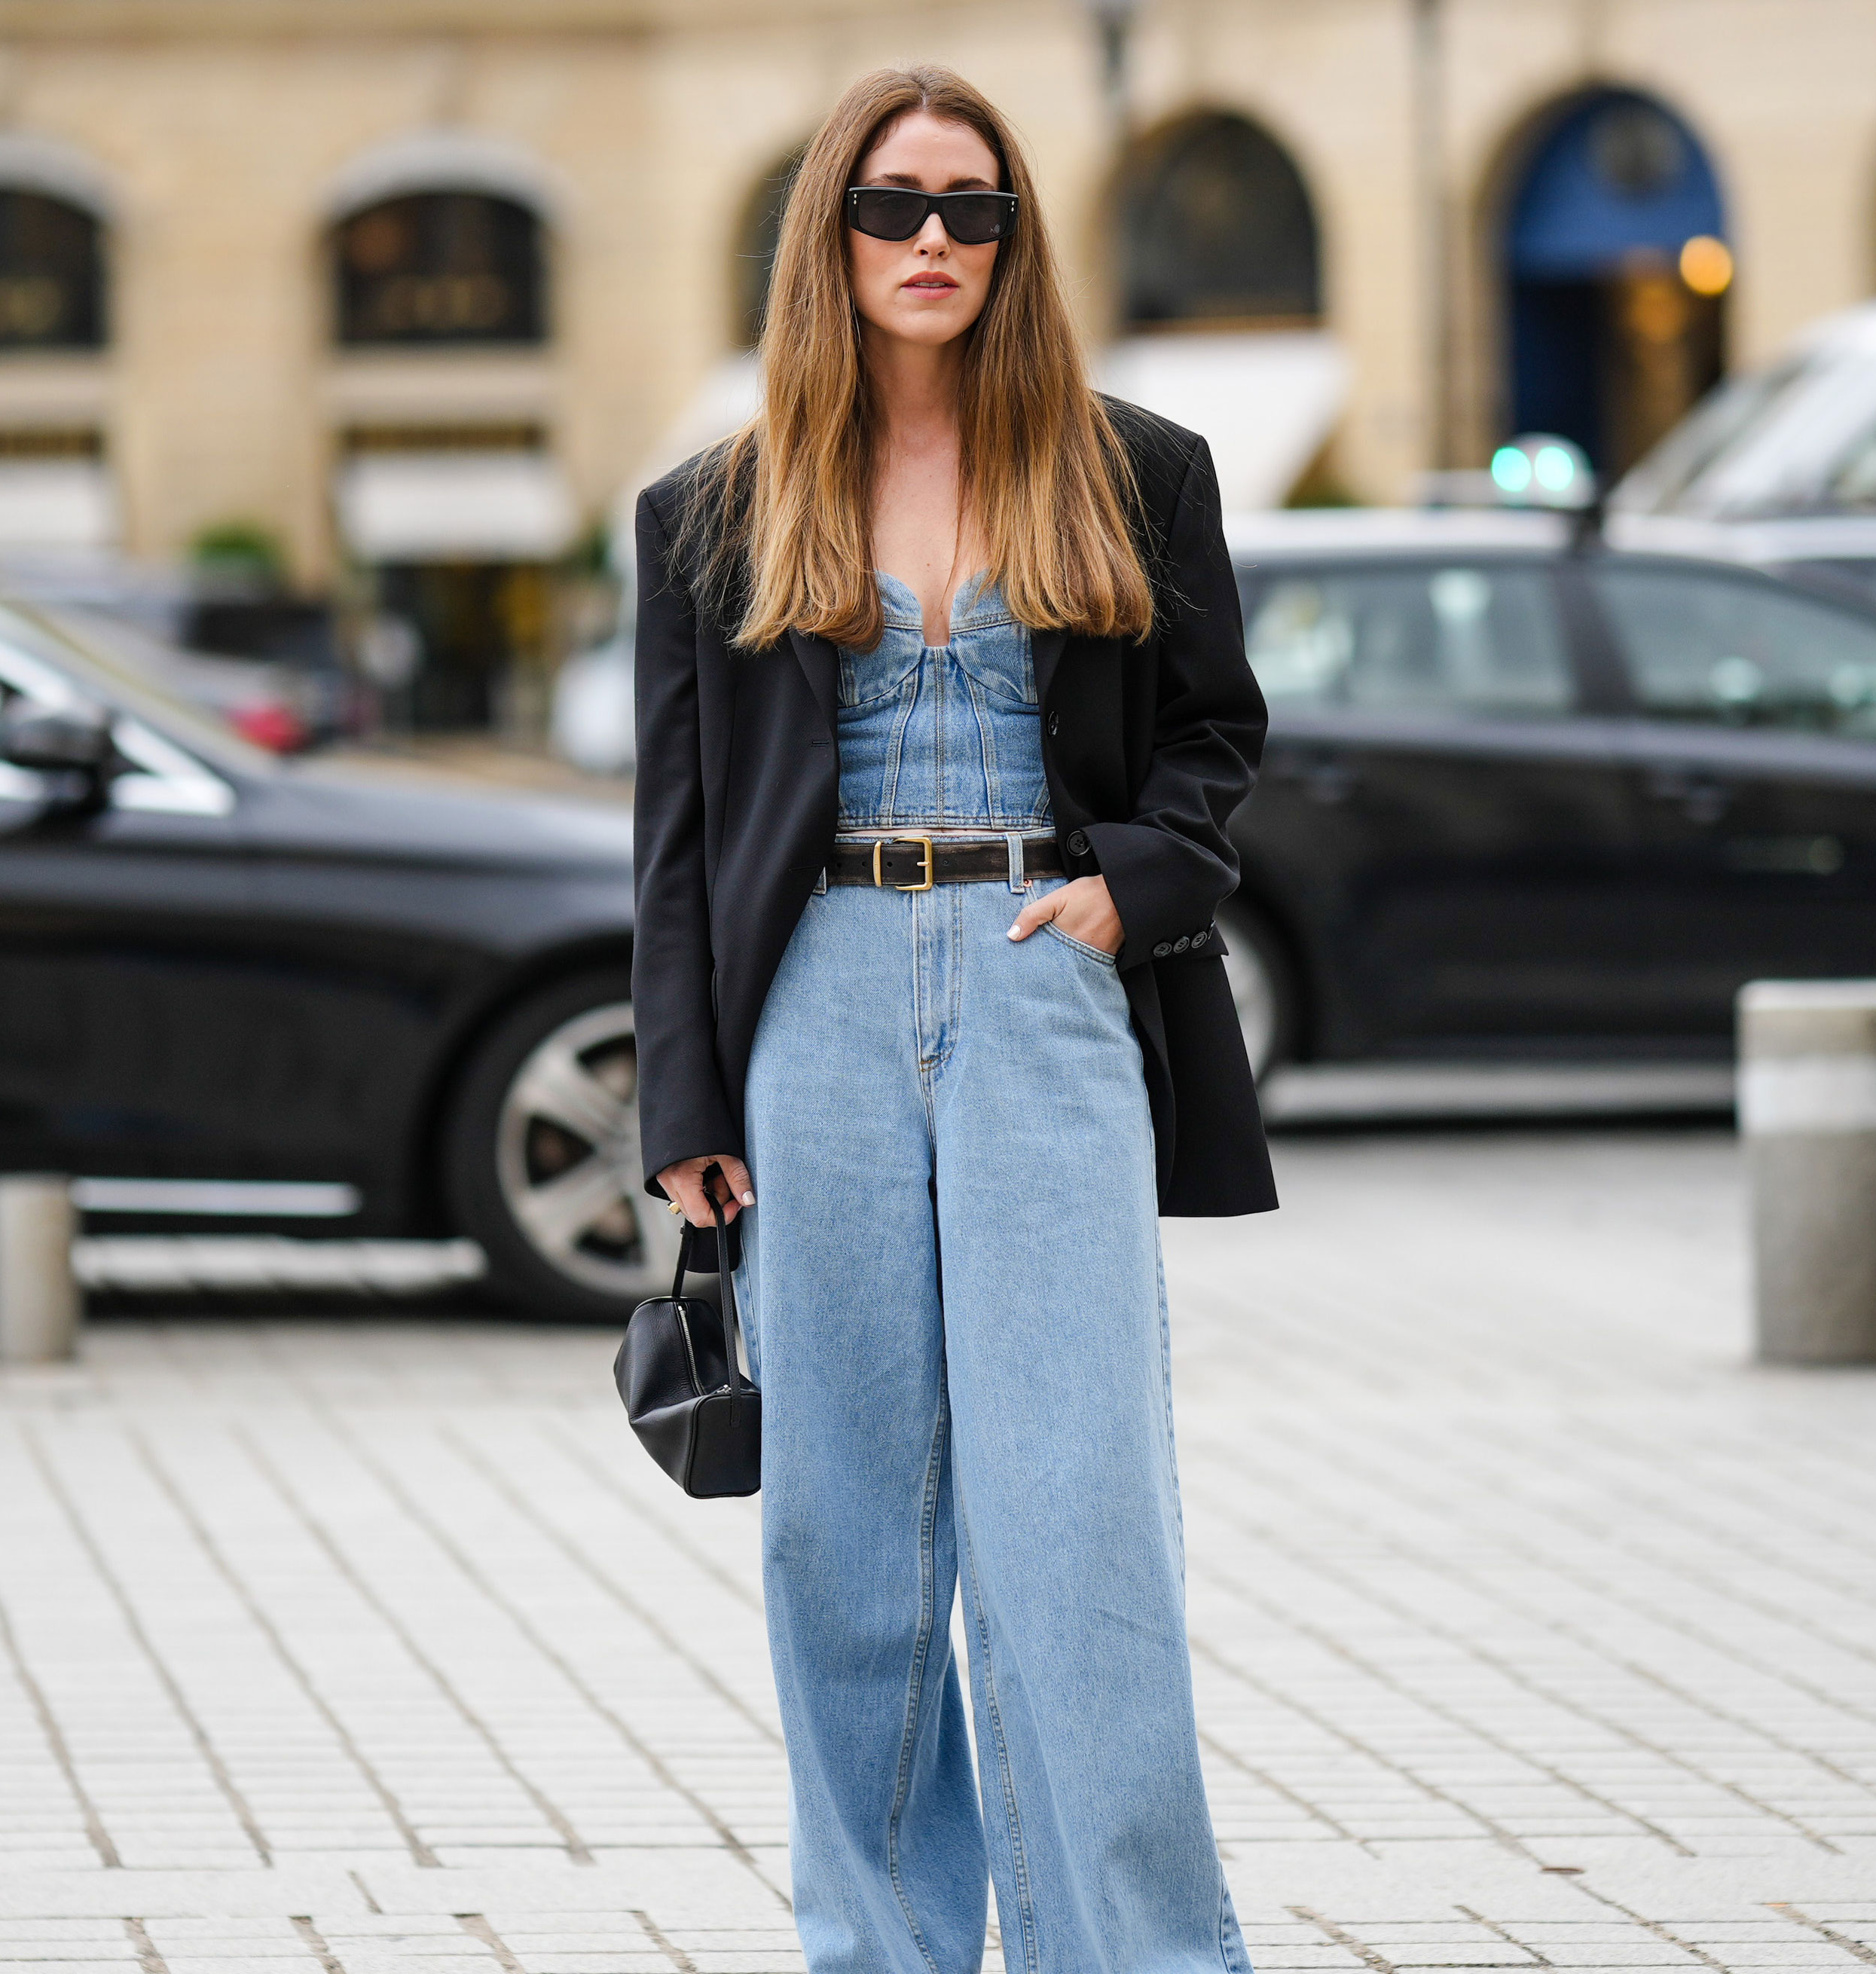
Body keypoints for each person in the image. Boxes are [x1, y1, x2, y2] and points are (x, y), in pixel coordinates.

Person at [629, 61, 1276, 1974]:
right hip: (811, 1003)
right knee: (846, 1531)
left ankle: (1138, 1953)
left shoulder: (1134, 466)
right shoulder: (713, 508)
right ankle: (884, 1949)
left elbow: (1218, 739)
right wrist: (686, 1088)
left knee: (1075, 1516)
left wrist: (1125, 893)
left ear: (1016, 237)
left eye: (972, 207)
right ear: (829, 234)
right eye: (896, 205)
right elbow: (670, 843)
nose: (934, 240)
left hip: (1038, 985)